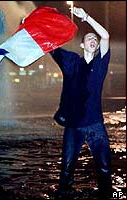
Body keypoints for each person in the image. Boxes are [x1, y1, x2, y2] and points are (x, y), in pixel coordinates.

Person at [50, 7, 112, 200]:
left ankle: (108, 196)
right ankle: (64, 195)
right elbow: (50, 46)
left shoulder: (100, 64)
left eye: (95, 39)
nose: (93, 40)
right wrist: (32, 27)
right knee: (66, 168)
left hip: (95, 124)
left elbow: (106, 35)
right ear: (83, 45)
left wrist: (86, 17)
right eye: (89, 39)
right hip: (73, 126)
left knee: (104, 166)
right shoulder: (71, 61)